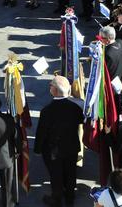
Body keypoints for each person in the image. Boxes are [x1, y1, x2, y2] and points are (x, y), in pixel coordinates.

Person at [34, 75, 85, 206]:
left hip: (54, 151)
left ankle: (56, 199)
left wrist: (37, 149)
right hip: (71, 147)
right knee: (70, 172)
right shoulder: (75, 108)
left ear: (54, 90)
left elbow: (42, 132)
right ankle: (70, 197)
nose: (49, 87)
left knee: (56, 176)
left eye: (51, 85)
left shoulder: (47, 111)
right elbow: (80, 121)